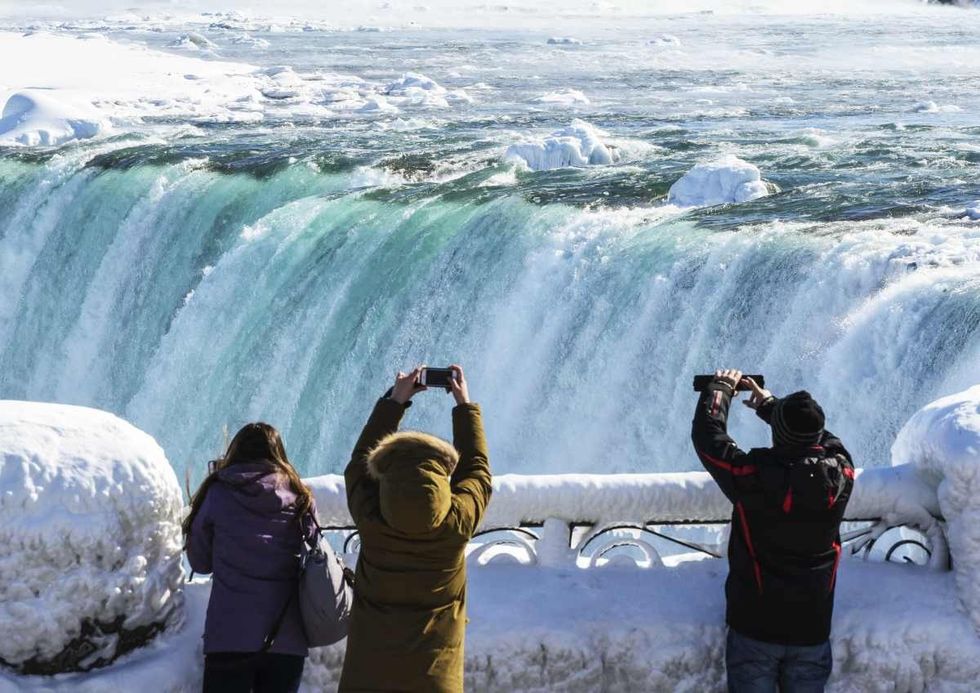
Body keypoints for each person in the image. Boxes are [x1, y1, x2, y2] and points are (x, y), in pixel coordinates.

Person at [691, 369, 855, 693]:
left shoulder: (752, 475)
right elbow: (829, 442)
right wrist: (772, 408)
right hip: (812, 628)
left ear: (778, 434)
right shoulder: (840, 477)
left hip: (755, 628)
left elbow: (708, 438)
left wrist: (720, 390)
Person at [339, 364, 492, 693]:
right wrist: (463, 405)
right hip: (436, 682)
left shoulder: (372, 520)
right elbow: (477, 471)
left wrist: (395, 401)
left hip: (368, 679)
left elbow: (357, 466)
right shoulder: (456, 524)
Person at [184, 422, 318, 693]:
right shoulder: (301, 497)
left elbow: (199, 562)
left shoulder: (218, 492)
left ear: (235, 452)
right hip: (286, 639)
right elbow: (315, 554)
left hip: (229, 636)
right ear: (279, 454)